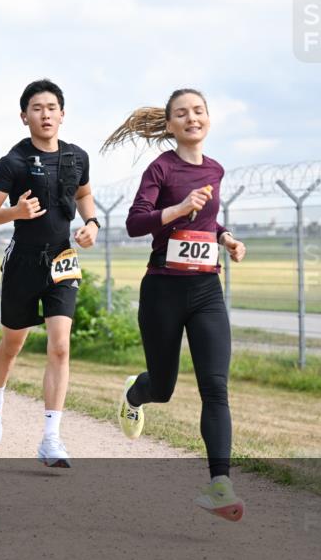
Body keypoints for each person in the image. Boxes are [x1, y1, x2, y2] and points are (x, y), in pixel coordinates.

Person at [102, 88, 247, 521]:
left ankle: (220, 485)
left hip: (206, 291)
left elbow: (206, 220)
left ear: (208, 118)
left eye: (198, 111)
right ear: (170, 126)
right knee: (162, 388)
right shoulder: (160, 168)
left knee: (215, 387)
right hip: (163, 291)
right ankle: (135, 392)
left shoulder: (216, 169)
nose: (192, 118)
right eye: (181, 114)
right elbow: (134, 222)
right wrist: (179, 207)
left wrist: (225, 238)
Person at [0, 79, 99, 469]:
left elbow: (82, 194)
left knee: (60, 345)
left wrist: (92, 223)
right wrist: (15, 212)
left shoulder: (77, 156)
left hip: (62, 258)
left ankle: (51, 438)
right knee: (12, 345)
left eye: (51, 107)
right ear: (24, 116)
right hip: (23, 262)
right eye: (37, 108)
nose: (45, 114)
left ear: (62, 113)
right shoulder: (12, 161)